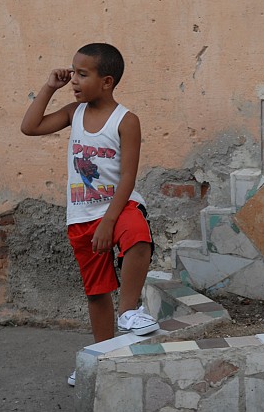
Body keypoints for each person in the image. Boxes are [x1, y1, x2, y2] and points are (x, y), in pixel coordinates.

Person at [21, 43, 159, 386]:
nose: (74, 80)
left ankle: (129, 312)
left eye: (83, 74)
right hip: (81, 216)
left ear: (107, 81)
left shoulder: (126, 120)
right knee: (97, 293)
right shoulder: (73, 113)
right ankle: (103, 357)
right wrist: (49, 87)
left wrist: (110, 221)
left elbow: (128, 176)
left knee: (138, 236)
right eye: (73, 72)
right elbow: (30, 126)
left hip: (118, 207)